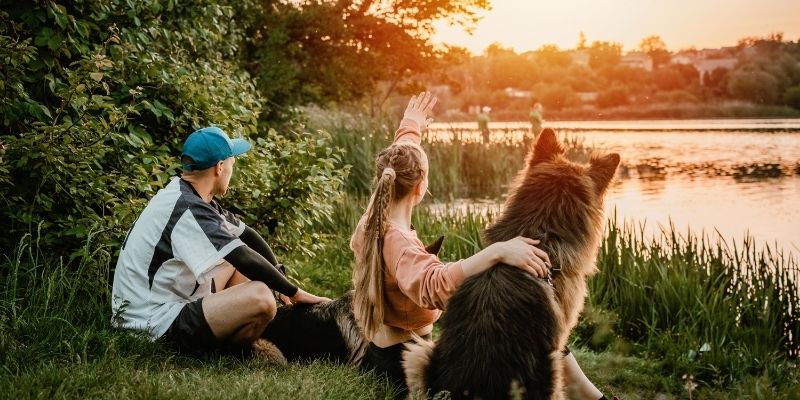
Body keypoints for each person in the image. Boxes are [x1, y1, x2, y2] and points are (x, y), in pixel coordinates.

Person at [351, 92, 611, 400]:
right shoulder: (398, 242)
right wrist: (497, 251)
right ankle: (589, 394)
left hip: (382, 349)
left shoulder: (374, 216)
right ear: (421, 187)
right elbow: (434, 285)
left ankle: (587, 392)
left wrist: (412, 126)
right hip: (396, 362)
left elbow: (400, 159)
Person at [111, 126, 328, 358]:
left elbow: (248, 236)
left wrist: (280, 280)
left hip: (166, 305)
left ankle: (236, 340)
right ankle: (233, 352)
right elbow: (243, 256)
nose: (232, 169)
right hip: (151, 325)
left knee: (246, 267)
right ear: (219, 167)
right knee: (261, 297)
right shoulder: (187, 208)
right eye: (233, 163)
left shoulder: (190, 196)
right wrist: (294, 292)